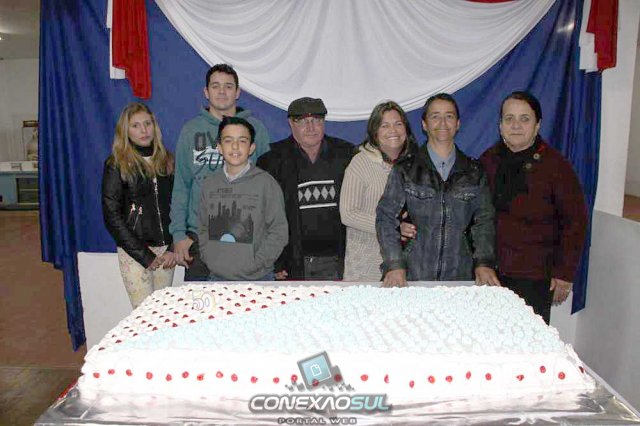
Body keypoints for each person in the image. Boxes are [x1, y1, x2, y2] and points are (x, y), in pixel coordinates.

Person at [479, 91, 587, 324]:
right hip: (489, 274)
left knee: (528, 340)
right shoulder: (487, 161)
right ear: (500, 125)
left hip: (534, 277)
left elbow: (575, 222)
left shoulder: (556, 167)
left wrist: (564, 273)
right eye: (509, 118)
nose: (516, 125)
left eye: (524, 119)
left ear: (537, 125)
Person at [376, 93, 498, 287]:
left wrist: (483, 262)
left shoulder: (474, 171)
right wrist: (394, 264)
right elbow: (385, 218)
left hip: (460, 277)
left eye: (449, 116)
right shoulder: (405, 169)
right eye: (435, 116)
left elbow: (484, 220)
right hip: (412, 277)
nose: (442, 122)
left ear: (458, 124)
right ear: (424, 124)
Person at [170, 64, 271, 280]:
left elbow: (268, 188)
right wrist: (179, 235)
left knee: (242, 301)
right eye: (215, 86)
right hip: (199, 238)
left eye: (228, 86)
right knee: (201, 301)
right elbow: (181, 187)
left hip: (246, 238)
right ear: (206, 92)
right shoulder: (190, 131)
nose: (222, 91)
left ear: (237, 92)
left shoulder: (256, 130)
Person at [257, 97, 355, 280]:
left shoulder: (347, 155)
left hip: (341, 260)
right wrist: (276, 260)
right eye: (303, 121)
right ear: (291, 123)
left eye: (316, 120)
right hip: (293, 263)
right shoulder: (271, 161)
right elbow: (263, 216)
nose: (311, 127)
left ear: (324, 122)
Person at [102, 102, 176, 308]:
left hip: (165, 252)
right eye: (135, 126)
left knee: (164, 312)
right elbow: (111, 215)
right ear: (125, 131)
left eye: (147, 123)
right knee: (144, 314)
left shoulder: (167, 160)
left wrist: (172, 247)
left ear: (155, 126)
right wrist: (144, 255)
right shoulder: (116, 164)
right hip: (134, 252)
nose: (143, 130)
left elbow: (179, 205)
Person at [197, 117, 288, 280]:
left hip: (258, 278)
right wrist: (209, 257)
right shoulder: (209, 184)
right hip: (216, 277)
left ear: (252, 148)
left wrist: (256, 263)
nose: (235, 146)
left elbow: (279, 231)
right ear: (219, 147)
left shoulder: (266, 183)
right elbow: (203, 227)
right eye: (228, 140)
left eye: (242, 141)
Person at [340, 101, 418, 281]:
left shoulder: (417, 165)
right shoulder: (360, 163)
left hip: (410, 266)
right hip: (367, 267)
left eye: (398, 124)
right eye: (385, 125)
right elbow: (348, 214)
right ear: (375, 132)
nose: (393, 130)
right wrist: (395, 227)